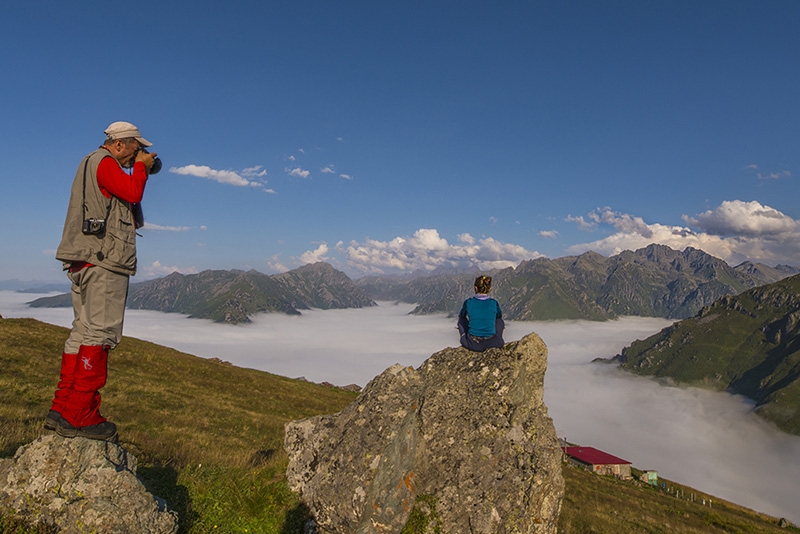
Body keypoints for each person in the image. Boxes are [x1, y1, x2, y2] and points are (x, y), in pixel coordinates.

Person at [44, 121, 157, 441]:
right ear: (119, 144)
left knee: (81, 333)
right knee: (100, 334)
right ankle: (81, 414)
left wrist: (137, 166)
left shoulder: (87, 164)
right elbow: (133, 191)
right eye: (136, 148)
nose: (139, 154)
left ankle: (62, 406)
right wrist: (141, 169)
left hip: (83, 258)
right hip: (105, 260)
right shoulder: (104, 163)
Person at [457, 275, 505, 352]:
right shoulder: (494, 303)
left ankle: (464, 336)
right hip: (492, 343)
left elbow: (462, 316)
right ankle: (498, 338)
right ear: (489, 288)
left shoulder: (468, 302)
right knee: (499, 321)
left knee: (461, 320)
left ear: (475, 288)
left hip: (473, 343)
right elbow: (499, 316)